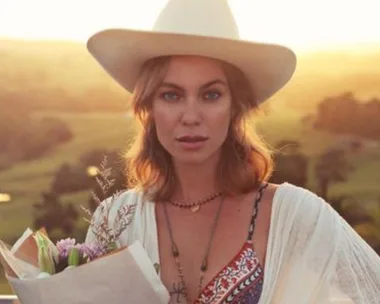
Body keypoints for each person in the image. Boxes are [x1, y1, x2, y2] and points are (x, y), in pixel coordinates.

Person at [85, 0, 380, 303]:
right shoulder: (115, 221)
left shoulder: (296, 217)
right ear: (148, 106)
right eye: (171, 95)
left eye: (211, 95)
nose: (190, 115)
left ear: (235, 107)